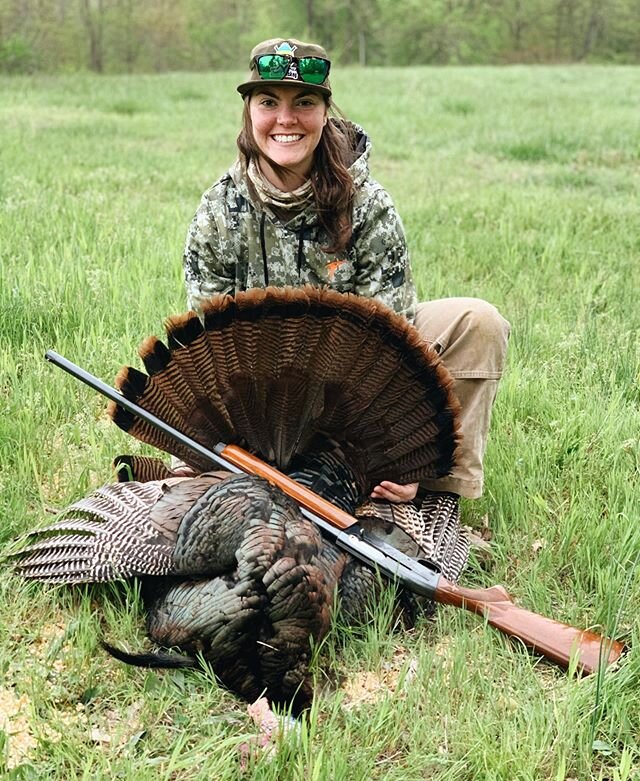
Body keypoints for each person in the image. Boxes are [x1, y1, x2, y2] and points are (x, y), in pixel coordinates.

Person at [183, 37, 510, 527]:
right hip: (262, 397)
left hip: (353, 389)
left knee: (478, 324)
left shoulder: (369, 204)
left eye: (304, 103)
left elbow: (393, 345)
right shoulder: (218, 212)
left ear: (325, 112)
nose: (286, 119)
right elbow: (208, 345)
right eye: (269, 102)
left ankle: (436, 491)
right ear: (249, 111)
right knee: (190, 488)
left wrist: (395, 449)